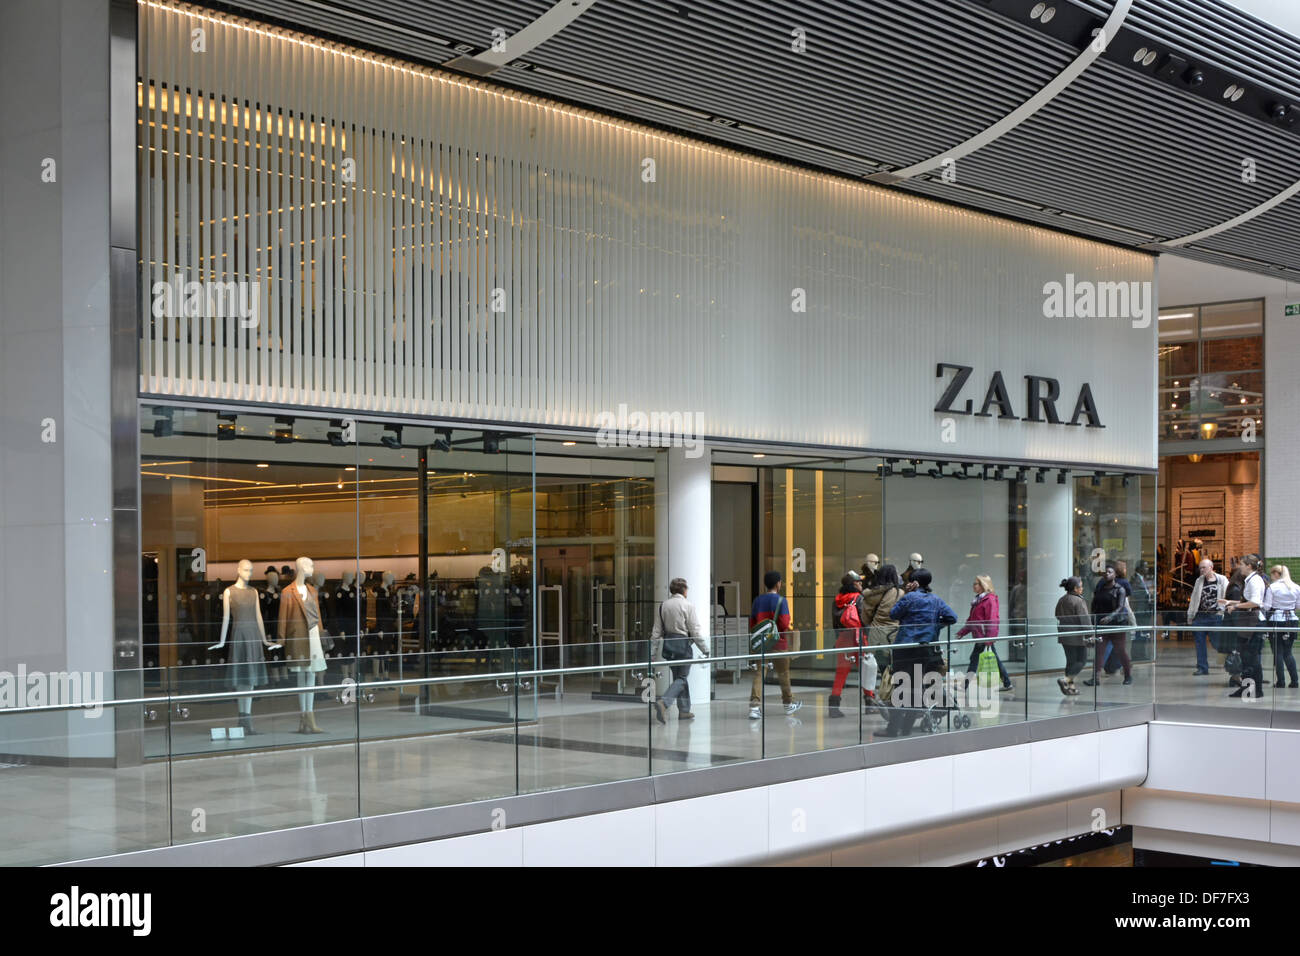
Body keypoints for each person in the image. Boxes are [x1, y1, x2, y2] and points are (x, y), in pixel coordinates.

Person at [883, 568, 957, 737]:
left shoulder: (909, 597)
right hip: (924, 649)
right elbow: (952, 617)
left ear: (913, 582)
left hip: (904, 648)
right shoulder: (935, 600)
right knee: (916, 688)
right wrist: (935, 626)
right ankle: (907, 727)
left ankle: (893, 728)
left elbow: (893, 614)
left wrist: (905, 594)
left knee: (900, 688)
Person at [650, 577, 708, 722]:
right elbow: (695, 631)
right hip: (683, 646)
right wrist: (705, 649)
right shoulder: (687, 605)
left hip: (669, 646)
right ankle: (664, 702)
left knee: (679, 678)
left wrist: (652, 651)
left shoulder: (663, 605)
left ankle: (684, 711)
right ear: (684, 590)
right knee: (682, 678)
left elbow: (656, 631)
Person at [749, 571, 800, 719]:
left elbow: (753, 622)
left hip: (762, 643)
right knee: (783, 673)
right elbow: (784, 623)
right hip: (779, 641)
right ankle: (788, 704)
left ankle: (754, 707)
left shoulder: (758, 600)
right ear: (778, 584)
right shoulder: (781, 601)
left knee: (759, 672)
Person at [958, 575, 1012, 692]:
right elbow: (972, 620)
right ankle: (1007, 683)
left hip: (983, 637)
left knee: (974, 660)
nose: (974, 585)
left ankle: (964, 686)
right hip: (980, 636)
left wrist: (988, 639)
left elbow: (992, 620)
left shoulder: (989, 600)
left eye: (976, 583)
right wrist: (962, 632)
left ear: (983, 585)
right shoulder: (977, 601)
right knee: (993, 659)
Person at [1226, 554, 1270, 698]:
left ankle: (1255, 690)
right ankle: (1248, 688)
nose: (1240, 567)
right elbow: (1250, 600)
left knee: (1251, 657)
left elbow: (1256, 602)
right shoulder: (1251, 580)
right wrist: (1230, 602)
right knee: (1247, 657)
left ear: (1249, 566)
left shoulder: (1255, 580)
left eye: (1242, 564)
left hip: (1253, 621)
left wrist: (1236, 606)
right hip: (1249, 620)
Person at [828, 571, 868, 718]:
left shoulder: (837, 599)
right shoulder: (859, 598)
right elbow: (864, 620)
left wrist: (838, 638)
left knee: (841, 673)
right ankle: (870, 703)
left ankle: (833, 706)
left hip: (842, 640)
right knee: (865, 670)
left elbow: (834, 623)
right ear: (853, 584)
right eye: (859, 582)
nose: (861, 584)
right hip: (858, 639)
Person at [1085, 562, 1132, 686]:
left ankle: (1128, 675)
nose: (1107, 574)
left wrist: (1110, 617)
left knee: (1120, 650)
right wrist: (1092, 620)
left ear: (1115, 574)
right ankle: (1095, 678)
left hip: (1117, 624)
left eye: (1110, 572)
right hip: (1102, 624)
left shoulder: (1119, 589)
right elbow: (1094, 606)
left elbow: (1121, 607)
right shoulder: (1100, 589)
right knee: (1099, 651)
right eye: (1105, 572)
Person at [1186, 558, 1227, 676]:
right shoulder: (1199, 581)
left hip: (1215, 616)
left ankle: (1229, 663)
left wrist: (1223, 610)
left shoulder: (1222, 580)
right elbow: (1194, 598)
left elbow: (1226, 595)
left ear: (1211, 568)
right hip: (1200, 616)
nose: (1201, 570)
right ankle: (1202, 667)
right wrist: (1190, 615)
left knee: (1217, 642)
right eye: (1200, 568)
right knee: (1199, 643)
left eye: (1204, 567)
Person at [1264, 565, 1300, 689]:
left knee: (1277, 652)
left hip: (1277, 620)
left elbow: (1267, 607)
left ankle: (1281, 682)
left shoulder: (1272, 587)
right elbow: (1298, 606)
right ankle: (1294, 681)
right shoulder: (1296, 587)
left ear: (1276, 574)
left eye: (1271, 574)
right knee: (1288, 653)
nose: (1271, 577)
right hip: (1292, 620)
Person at [1054, 577, 1091, 695]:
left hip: (1065, 635)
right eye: (1081, 586)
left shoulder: (1062, 599)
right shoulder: (1078, 601)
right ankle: (1065, 680)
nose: (1082, 588)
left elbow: (1057, 615)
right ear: (1075, 588)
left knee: (1070, 662)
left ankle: (1071, 687)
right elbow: (1085, 620)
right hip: (1078, 636)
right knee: (1082, 660)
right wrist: (1090, 634)